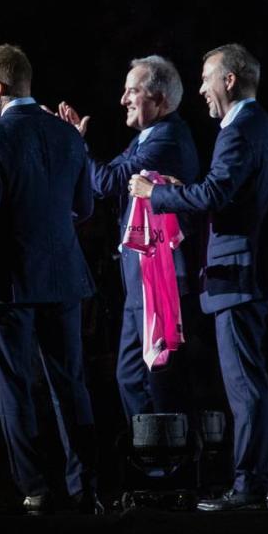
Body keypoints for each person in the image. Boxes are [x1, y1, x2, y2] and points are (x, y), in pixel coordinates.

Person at [130, 44, 268, 510]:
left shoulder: (239, 129)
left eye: (205, 77)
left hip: (240, 279)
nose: (199, 88)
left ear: (229, 80)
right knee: (265, 384)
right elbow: (230, 193)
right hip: (263, 276)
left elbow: (219, 192)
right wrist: (190, 192)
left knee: (246, 387)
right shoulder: (263, 127)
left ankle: (247, 484)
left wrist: (155, 196)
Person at [0, 44, 101, 514]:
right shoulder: (68, 138)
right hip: (64, 277)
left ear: (0, 86)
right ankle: (85, 486)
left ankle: (35, 488)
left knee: (14, 387)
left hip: (10, 284)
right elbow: (84, 207)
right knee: (71, 385)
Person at [59, 55, 200, 423]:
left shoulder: (167, 138)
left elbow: (106, 182)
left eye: (132, 91)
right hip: (141, 284)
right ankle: (156, 464)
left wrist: (79, 146)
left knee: (160, 381)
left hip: (162, 283)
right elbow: (107, 178)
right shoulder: (145, 139)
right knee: (131, 377)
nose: (123, 99)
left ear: (160, 100)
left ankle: (172, 470)